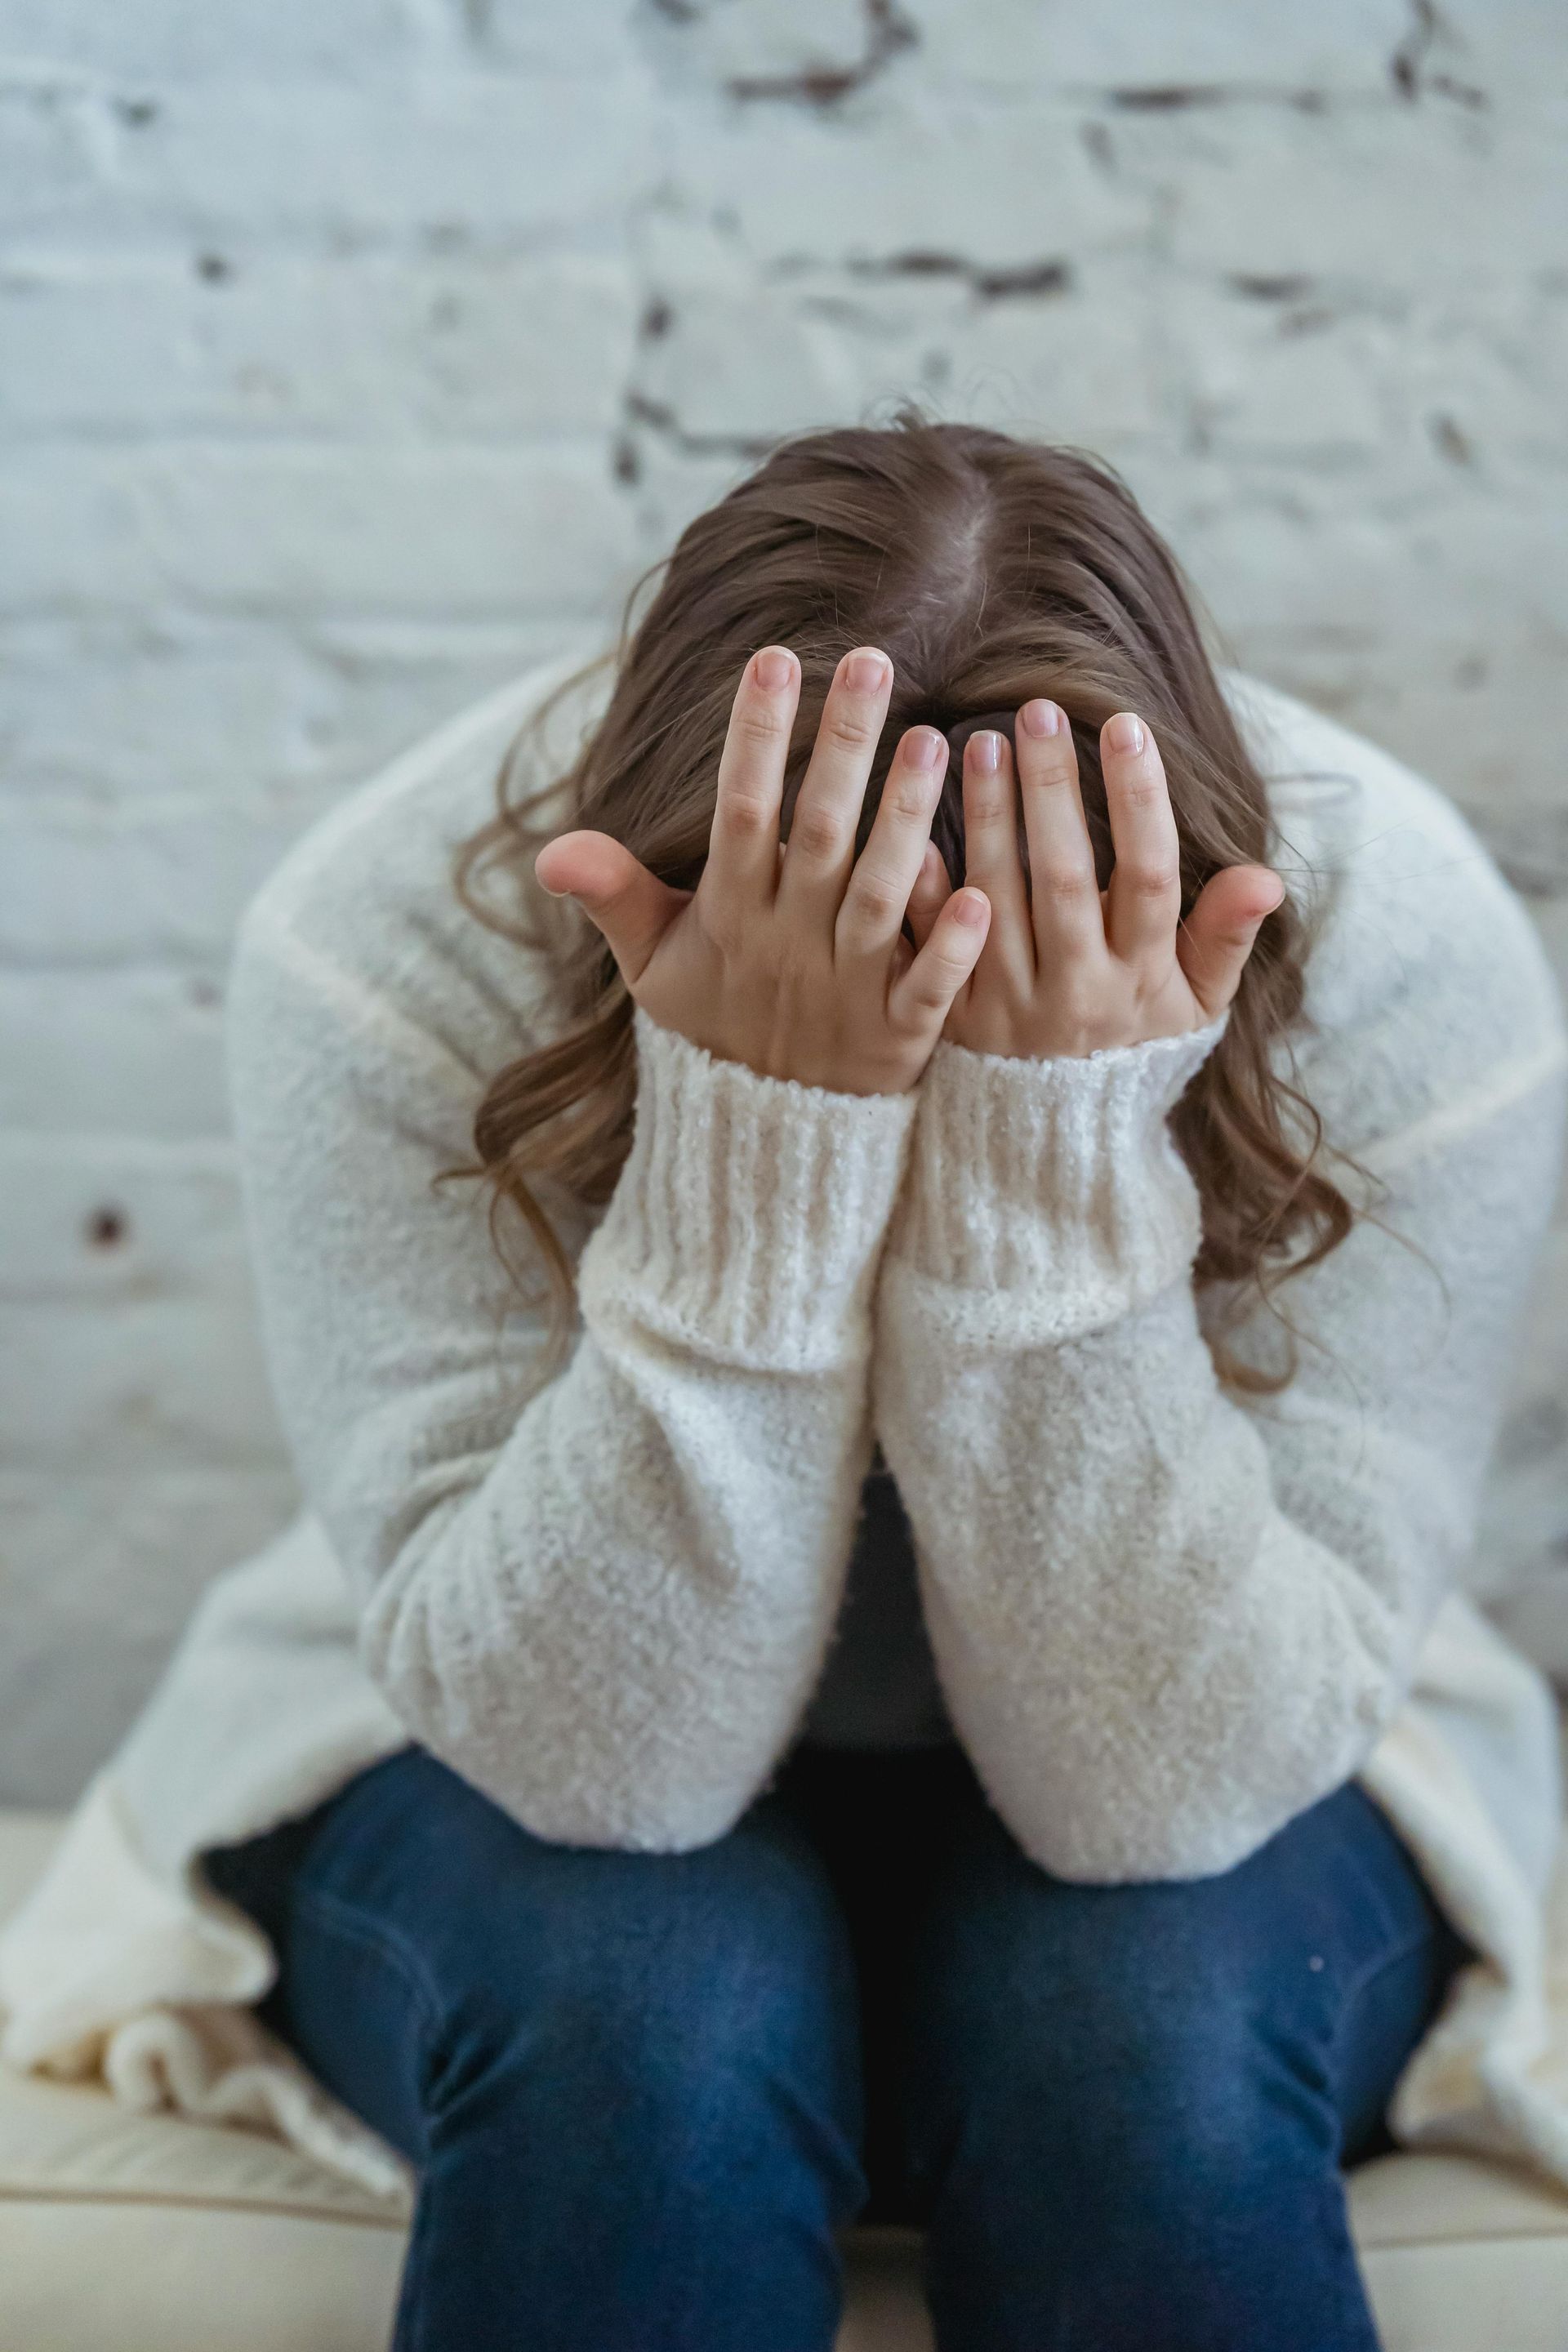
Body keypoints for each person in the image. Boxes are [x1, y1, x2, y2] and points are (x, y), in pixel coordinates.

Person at [2, 418, 1566, 2352]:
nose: (910, 997)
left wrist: (1055, 1169)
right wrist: (759, 1150)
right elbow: (598, 1774)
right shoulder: (395, 931)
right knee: (650, 2002)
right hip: (498, 1728)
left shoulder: (1397, 947)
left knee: (1126, 2026)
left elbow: (1162, 1802)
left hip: (1233, 1728)